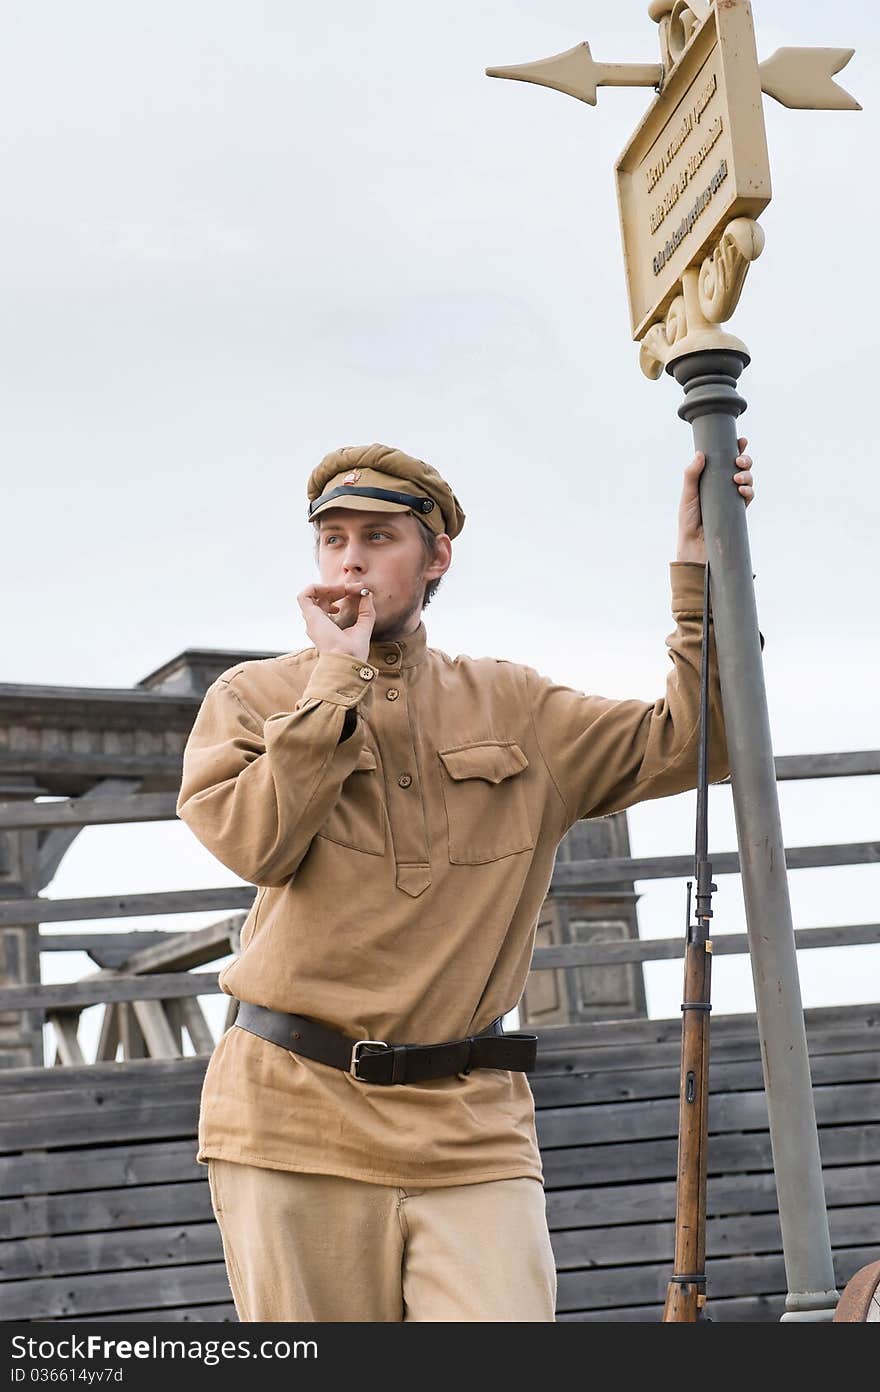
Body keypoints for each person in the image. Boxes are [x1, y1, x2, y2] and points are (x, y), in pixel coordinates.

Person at [176, 438, 755, 1323]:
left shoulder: (515, 704)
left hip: (473, 1129)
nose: (352, 559)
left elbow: (703, 735)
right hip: (292, 1117)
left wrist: (700, 562)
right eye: (333, 539)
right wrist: (337, 680)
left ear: (437, 554)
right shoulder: (253, 700)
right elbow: (256, 844)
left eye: (378, 536)